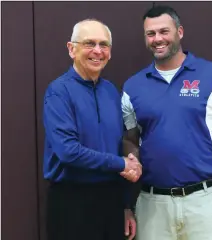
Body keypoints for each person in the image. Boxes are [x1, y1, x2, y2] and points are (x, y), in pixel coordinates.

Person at [122, 5, 212, 240]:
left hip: (207, 200)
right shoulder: (132, 87)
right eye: (150, 34)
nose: (157, 39)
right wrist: (131, 162)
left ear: (179, 32)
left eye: (164, 31)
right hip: (153, 204)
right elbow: (130, 139)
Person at [43, 19, 141, 240]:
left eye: (104, 45)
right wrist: (121, 164)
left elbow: (119, 147)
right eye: (89, 43)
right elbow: (68, 151)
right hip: (72, 203)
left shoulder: (111, 92)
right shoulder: (59, 92)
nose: (98, 51)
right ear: (71, 49)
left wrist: (125, 205)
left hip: (111, 201)